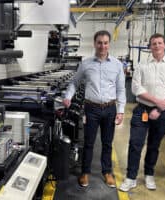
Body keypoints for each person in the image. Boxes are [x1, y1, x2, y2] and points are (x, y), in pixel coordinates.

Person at [119, 33, 165, 192]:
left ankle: (149, 174)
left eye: (160, 43)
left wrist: (160, 108)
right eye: (154, 43)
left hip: (164, 111)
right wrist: (156, 103)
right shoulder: (142, 65)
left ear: (164, 45)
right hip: (142, 110)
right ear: (150, 46)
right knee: (135, 144)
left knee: (154, 145)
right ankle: (131, 177)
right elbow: (136, 89)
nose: (157, 46)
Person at [63, 30, 126, 188]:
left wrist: (121, 110)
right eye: (99, 42)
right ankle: (85, 173)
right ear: (94, 44)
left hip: (110, 108)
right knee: (89, 143)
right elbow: (74, 83)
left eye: (105, 43)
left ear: (109, 44)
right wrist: (68, 96)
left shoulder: (117, 65)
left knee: (107, 143)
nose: (102, 46)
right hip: (91, 109)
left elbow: (121, 89)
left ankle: (107, 172)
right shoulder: (86, 63)